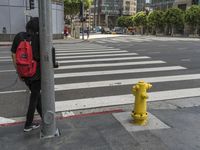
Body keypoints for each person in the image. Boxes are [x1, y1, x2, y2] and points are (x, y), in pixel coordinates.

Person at [11, 17, 42, 132]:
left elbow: (14, 55)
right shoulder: (39, 39)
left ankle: (44, 117)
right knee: (34, 98)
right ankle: (28, 124)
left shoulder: (19, 36)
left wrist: (19, 72)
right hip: (36, 74)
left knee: (36, 96)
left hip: (24, 73)